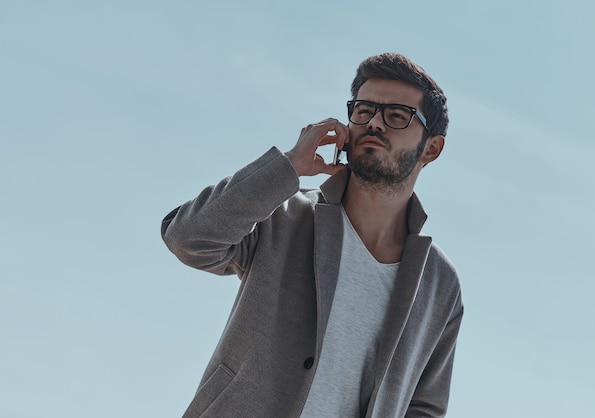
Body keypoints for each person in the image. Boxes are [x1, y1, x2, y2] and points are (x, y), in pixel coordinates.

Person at [161, 52, 463, 418]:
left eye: (397, 116)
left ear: (431, 148)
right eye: (364, 111)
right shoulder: (284, 215)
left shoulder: (438, 283)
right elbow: (188, 239)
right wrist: (289, 166)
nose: (375, 124)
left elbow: (425, 407)